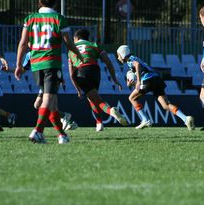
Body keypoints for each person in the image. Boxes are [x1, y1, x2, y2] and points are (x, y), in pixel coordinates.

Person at [14, 0, 84, 144]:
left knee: (52, 103)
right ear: (56, 3)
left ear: (39, 2)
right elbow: (68, 43)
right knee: (48, 100)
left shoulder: (30, 18)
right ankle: (37, 131)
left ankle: (62, 135)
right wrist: (79, 54)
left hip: (36, 65)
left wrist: (18, 65)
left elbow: (22, 43)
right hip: (51, 63)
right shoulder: (59, 19)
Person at [116, 45, 195, 130]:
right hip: (156, 79)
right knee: (166, 105)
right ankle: (185, 118)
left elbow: (137, 65)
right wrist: (132, 83)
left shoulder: (130, 60)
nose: (118, 57)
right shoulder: (134, 58)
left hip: (148, 80)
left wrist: (138, 81)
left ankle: (145, 120)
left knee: (132, 98)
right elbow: (138, 70)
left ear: (123, 54)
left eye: (118, 55)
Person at [68, 29, 128, 132]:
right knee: (92, 98)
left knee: (97, 100)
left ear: (76, 38)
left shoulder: (72, 50)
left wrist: (77, 89)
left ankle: (111, 111)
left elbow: (71, 72)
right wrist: (114, 79)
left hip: (81, 72)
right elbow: (108, 62)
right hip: (95, 71)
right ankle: (99, 123)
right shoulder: (93, 44)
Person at [21, 51, 78, 131]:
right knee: (38, 105)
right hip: (43, 81)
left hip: (50, 78)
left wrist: (60, 76)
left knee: (43, 104)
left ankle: (41, 131)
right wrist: (9, 70)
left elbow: (54, 63)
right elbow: (22, 70)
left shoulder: (43, 50)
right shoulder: (29, 55)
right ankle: (66, 119)